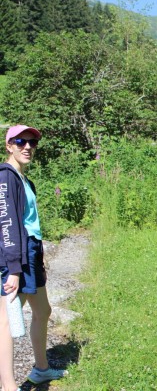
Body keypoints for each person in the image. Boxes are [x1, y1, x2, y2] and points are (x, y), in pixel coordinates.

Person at [0, 125, 67, 391]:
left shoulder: (24, 180)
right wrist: (14, 269)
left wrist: (37, 256)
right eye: (20, 142)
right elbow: (7, 224)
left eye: (32, 143)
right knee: (7, 321)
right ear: (9, 145)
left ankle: (41, 369)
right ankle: (8, 386)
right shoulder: (5, 177)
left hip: (31, 251)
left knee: (43, 311)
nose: (27, 147)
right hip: (17, 255)